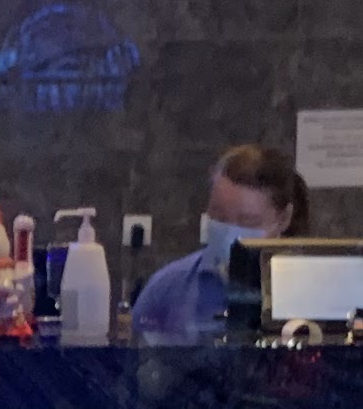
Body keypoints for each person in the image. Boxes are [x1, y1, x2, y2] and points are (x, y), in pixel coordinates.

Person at [130, 143, 308, 345]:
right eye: (219, 217)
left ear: (283, 219)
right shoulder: (167, 289)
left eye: (247, 222)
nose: (230, 232)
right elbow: (133, 358)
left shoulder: (311, 291)